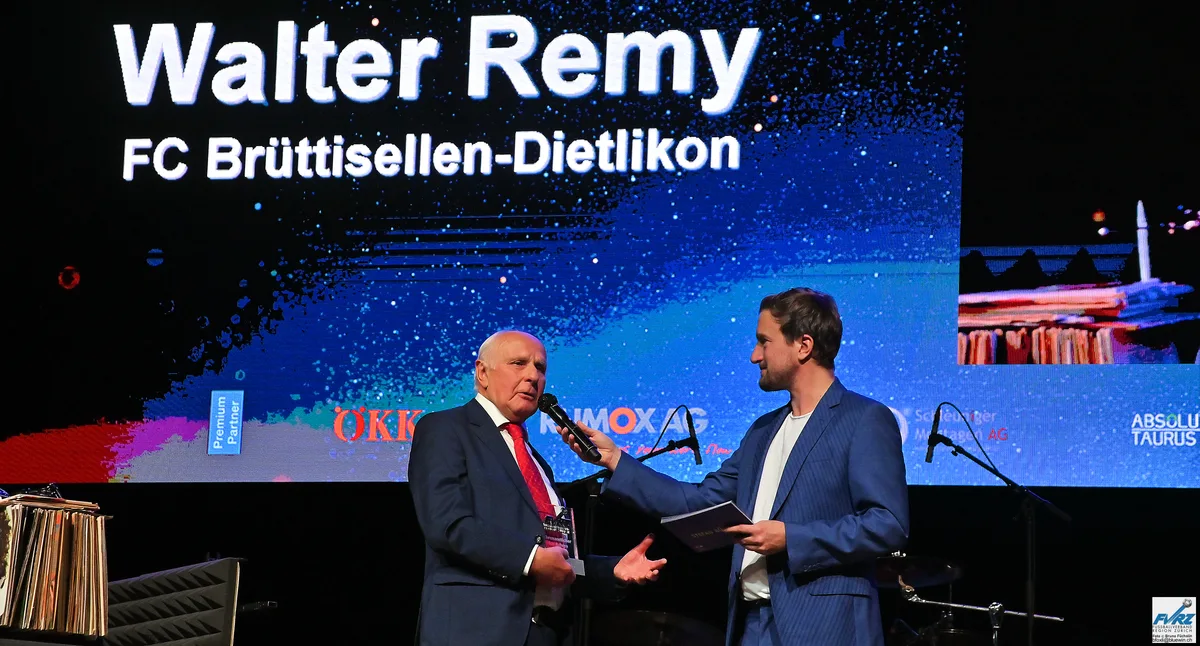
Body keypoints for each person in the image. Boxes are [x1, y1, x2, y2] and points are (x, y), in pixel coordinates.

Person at [560, 288, 909, 646]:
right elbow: (697, 502)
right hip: (751, 625)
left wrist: (791, 538)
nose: (754, 355)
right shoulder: (762, 431)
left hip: (824, 625)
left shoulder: (863, 418)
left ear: (803, 346)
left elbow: (887, 523)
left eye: (764, 341)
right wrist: (615, 460)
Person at [410, 330, 667, 646]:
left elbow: (557, 556)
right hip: (476, 629)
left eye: (540, 368)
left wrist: (611, 570)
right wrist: (530, 559)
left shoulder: (537, 462)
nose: (533, 376)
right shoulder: (445, 428)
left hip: (548, 633)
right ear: (482, 373)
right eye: (518, 363)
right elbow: (447, 523)